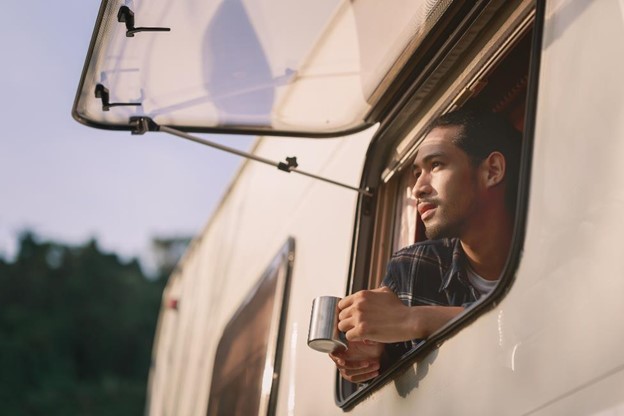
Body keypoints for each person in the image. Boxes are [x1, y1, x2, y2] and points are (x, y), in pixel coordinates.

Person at [330, 108, 522, 383]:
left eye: (436, 165)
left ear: (492, 171)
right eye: (416, 172)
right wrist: (370, 354)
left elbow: (543, 328)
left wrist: (417, 320)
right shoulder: (413, 269)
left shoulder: (554, 246)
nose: (417, 188)